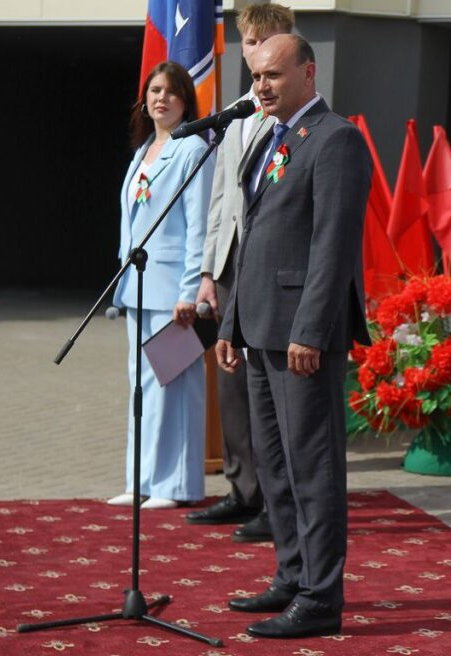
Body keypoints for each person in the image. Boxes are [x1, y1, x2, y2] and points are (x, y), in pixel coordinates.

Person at [215, 34, 371, 638]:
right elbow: (251, 240)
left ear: (309, 73)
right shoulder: (267, 140)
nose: (261, 87)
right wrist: (230, 323)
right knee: (275, 466)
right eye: (256, 77)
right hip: (258, 330)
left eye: (273, 75)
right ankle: (289, 574)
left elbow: (332, 245)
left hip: (302, 335)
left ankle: (320, 597)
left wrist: (310, 328)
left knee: (313, 467)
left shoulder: (336, 140)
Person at [185, 3, 295, 543]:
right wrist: (208, 270)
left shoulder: (296, 114)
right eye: (247, 43)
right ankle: (241, 487)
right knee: (231, 384)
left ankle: (278, 500)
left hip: (270, 270)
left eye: (264, 42)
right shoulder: (234, 113)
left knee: (267, 392)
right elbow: (221, 199)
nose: (253, 52)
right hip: (230, 263)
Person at [107, 61, 215, 510]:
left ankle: (175, 484)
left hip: (173, 291)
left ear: (185, 100)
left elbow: (199, 228)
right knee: (143, 387)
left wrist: (189, 292)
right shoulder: (144, 150)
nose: (161, 99)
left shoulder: (193, 149)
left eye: (171, 91)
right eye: (154, 91)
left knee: (173, 385)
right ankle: (142, 480)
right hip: (138, 287)